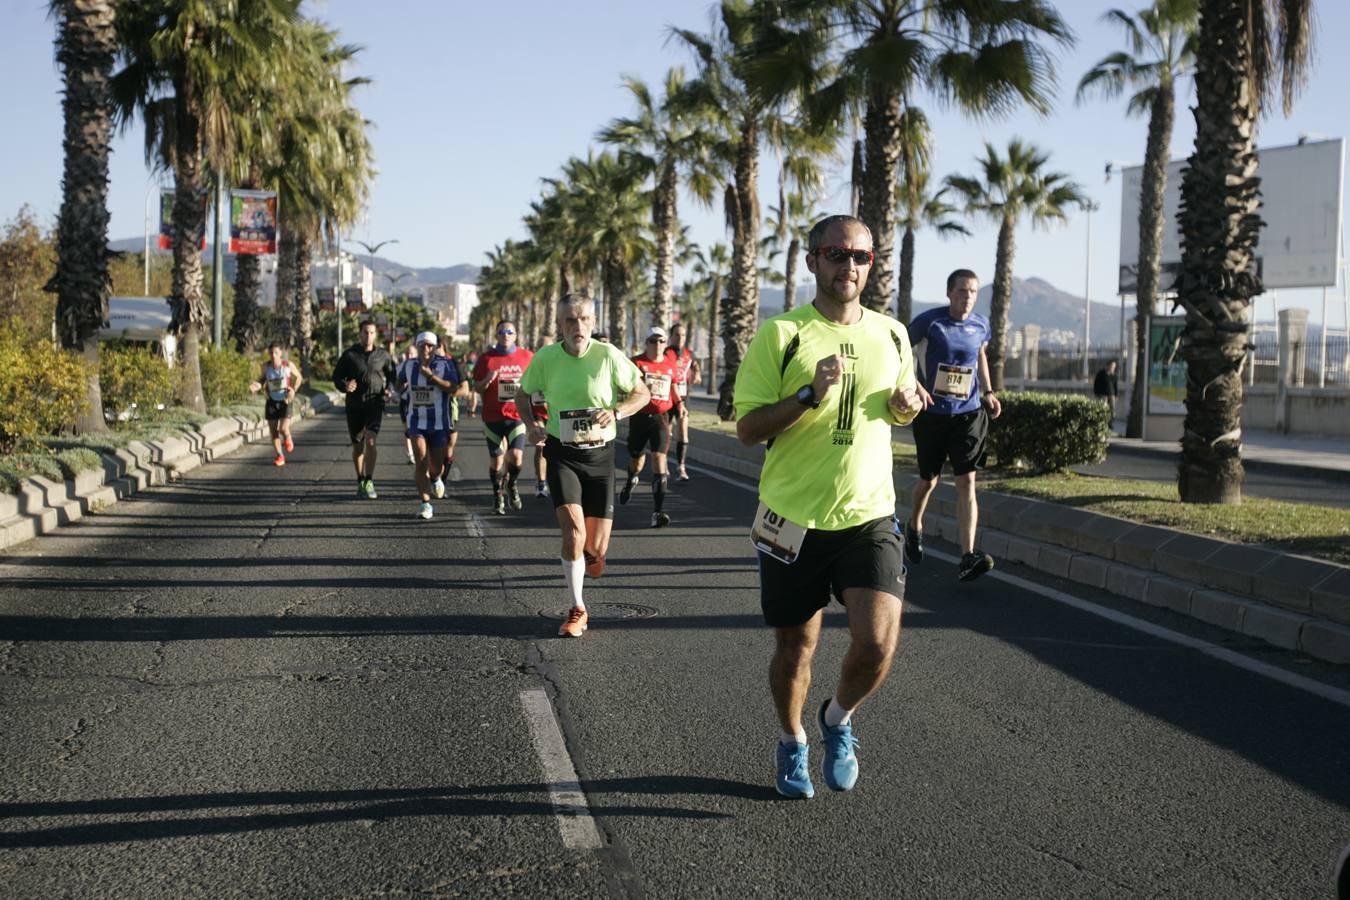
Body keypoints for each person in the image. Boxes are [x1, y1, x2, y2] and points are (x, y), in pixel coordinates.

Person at [734, 214, 922, 799]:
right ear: (812, 260)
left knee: (877, 644)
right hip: (791, 518)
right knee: (797, 647)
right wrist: (808, 394)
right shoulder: (782, 333)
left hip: (868, 516)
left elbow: (899, 408)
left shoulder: (892, 335)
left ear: (872, 265)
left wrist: (907, 406)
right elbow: (747, 427)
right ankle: (792, 743)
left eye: (861, 257)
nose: (849, 266)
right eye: (836, 254)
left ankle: (837, 719)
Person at [520, 292, 650, 638]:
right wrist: (531, 424)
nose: (577, 326)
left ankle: (592, 557)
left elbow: (643, 393)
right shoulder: (546, 358)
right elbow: (522, 392)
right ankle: (577, 608)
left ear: (593, 322)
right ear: (560, 325)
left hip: (600, 456)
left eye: (583, 319)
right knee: (573, 533)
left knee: (595, 551)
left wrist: (618, 411)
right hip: (562, 453)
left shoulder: (608, 355)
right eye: (570, 320)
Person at [905, 268, 1002, 582]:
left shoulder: (981, 324)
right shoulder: (930, 322)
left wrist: (988, 391)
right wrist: (914, 383)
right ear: (949, 293)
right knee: (928, 481)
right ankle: (914, 526)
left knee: (966, 482)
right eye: (962, 291)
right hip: (933, 413)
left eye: (973, 291)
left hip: (968, 413)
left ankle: (968, 555)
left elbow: (981, 356)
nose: (968, 296)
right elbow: (900, 349)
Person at [621, 326, 683, 527]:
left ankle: (658, 512)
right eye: (653, 341)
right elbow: (626, 387)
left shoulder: (670, 364)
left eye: (662, 341)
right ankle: (631, 479)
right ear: (646, 342)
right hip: (639, 417)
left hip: (660, 418)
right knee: (636, 460)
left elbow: (673, 386)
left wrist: (680, 403)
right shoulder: (636, 362)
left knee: (659, 458)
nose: (658, 345)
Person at [397, 331, 461, 520]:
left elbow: (453, 388)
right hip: (416, 421)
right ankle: (425, 503)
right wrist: (401, 389)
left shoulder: (445, 364)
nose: (426, 349)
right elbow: (398, 382)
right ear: (416, 347)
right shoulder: (408, 365)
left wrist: (432, 377)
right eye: (422, 345)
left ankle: (435, 478)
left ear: (435, 347)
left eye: (430, 346)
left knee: (436, 465)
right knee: (421, 461)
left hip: (439, 422)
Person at [473, 320, 534, 515]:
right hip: (492, 418)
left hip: (517, 416)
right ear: (496, 335)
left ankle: (512, 484)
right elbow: (476, 388)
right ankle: (497, 494)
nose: (505, 335)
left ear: (516, 335)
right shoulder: (486, 359)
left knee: (515, 457)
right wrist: (487, 380)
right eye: (501, 332)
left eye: (509, 331)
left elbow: (537, 384)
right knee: (497, 462)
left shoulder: (527, 357)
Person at [333, 319, 396, 499]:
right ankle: (360, 478)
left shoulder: (382, 355)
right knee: (358, 447)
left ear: (375, 335)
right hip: (354, 405)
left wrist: (389, 388)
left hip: (374, 404)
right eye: (365, 332)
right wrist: (345, 385)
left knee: (371, 441)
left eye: (371, 333)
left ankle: (369, 479)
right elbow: (336, 377)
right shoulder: (350, 355)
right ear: (360, 334)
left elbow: (392, 374)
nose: (368, 336)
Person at [248, 343, 302, 467]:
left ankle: (287, 436)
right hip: (272, 400)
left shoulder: (288, 365)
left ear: (280, 354)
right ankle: (279, 455)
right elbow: (263, 379)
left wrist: (293, 389)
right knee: (273, 431)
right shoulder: (266, 366)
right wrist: (257, 385)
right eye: (271, 353)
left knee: (283, 428)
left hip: (285, 400)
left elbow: (298, 377)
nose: (273, 355)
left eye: (276, 353)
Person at [665, 322, 701, 480]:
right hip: (668, 398)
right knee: (667, 433)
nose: (680, 338)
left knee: (683, 432)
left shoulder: (688, 353)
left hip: (684, 397)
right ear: (671, 337)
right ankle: (663, 462)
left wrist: (697, 373)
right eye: (677, 335)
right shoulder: (666, 353)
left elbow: (694, 365)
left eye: (683, 335)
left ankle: (681, 467)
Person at [397, 344, 418, 465]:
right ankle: (410, 453)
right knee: (407, 429)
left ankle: (418, 451)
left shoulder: (421, 367)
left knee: (415, 428)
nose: (410, 356)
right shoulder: (401, 367)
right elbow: (396, 387)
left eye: (412, 353)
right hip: (405, 401)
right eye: (408, 353)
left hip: (416, 402)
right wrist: (401, 386)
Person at [1094, 359, 1119, 425]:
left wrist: (1116, 395)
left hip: (1111, 394)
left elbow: (1115, 386)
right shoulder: (1101, 373)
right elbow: (1096, 383)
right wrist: (1096, 393)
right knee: (1103, 409)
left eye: (1114, 367)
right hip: (1103, 394)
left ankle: (1110, 423)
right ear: (1108, 366)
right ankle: (1102, 423)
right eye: (1111, 366)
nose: (1112, 368)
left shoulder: (1114, 376)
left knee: (1112, 409)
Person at [464, 349, 481, 418]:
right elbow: (467, 374)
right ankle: (468, 409)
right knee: (469, 397)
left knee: (475, 396)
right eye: (471, 356)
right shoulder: (467, 365)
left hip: (475, 382)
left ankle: (472, 411)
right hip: (469, 383)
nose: (472, 358)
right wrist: (469, 374)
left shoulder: (477, 364)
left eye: (473, 356)